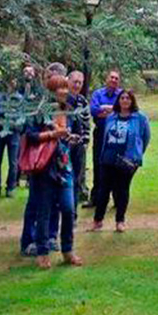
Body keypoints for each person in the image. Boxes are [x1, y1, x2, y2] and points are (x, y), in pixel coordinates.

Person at [23, 75, 83, 269]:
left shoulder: (70, 111)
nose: (64, 91)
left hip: (65, 167)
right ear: (51, 91)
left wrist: (72, 138)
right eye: (60, 88)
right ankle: (42, 252)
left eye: (66, 88)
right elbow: (30, 136)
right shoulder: (40, 111)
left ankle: (68, 250)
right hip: (45, 168)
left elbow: (78, 133)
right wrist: (52, 134)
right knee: (44, 211)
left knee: (68, 208)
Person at [90, 89, 150, 232]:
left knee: (122, 190)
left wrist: (137, 155)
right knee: (103, 190)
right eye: (122, 98)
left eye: (127, 98)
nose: (124, 100)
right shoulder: (111, 117)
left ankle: (120, 221)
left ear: (132, 101)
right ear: (118, 101)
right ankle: (98, 220)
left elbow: (145, 137)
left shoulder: (140, 118)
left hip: (126, 160)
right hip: (108, 158)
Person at [88, 70, 124, 206]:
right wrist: (112, 110)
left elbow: (123, 111)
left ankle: (117, 198)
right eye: (112, 77)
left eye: (116, 78)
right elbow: (94, 110)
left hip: (116, 135)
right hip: (100, 134)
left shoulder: (121, 95)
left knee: (116, 165)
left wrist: (105, 110)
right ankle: (95, 198)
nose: (114, 80)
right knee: (98, 164)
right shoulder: (98, 94)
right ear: (106, 79)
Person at [0, 74, 20, 198]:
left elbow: (20, 115)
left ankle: (10, 187)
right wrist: (8, 113)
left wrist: (6, 114)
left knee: (13, 162)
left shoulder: (19, 97)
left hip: (13, 132)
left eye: (13, 81)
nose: (11, 83)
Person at [68, 69, 92, 205]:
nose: (77, 85)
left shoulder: (82, 101)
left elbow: (86, 122)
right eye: (75, 82)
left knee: (78, 175)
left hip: (79, 145)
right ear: (68, 81)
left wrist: (85, 141)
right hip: (65, 145)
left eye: (80, 83)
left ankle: (75, 202)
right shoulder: (63, 99)